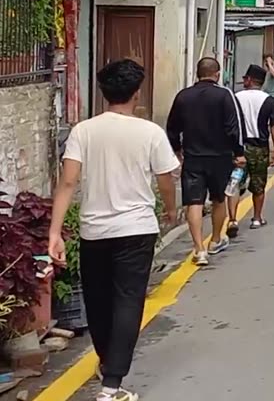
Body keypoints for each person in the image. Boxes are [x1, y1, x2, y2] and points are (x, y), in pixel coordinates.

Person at [48, 60, 179, 401]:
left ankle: (107, 363)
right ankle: (112, 385)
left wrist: (54, 232)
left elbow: (68, 181)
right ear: (136, 93)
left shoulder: (83, 130)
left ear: (103, 92)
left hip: (95, 230)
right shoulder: (149, 132)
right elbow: (166, 178)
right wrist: (169, 208)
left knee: (98, 301)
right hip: (136, 229)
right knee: (127, 300)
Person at [166, 57, 245, 266]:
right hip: (220, 158)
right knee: (218, 199)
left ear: (197, 73)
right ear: (217, 74)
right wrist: (239, 152)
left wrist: (177, 151)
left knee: (194, 202)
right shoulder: (225, 95)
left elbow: (172, 128)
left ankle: (199, 249)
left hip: (192, 158)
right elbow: (233, 127)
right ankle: (216, 240)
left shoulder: (183, 96)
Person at [230, 65, 274, 230]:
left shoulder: (234, 98)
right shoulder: (270, 101)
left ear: (250, 80)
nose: (243, 81)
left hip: (238, 148)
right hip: (260, 149)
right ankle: (257, 218)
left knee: (235, 182)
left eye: (245, 78)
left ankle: (232, 219)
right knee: (259, 184)